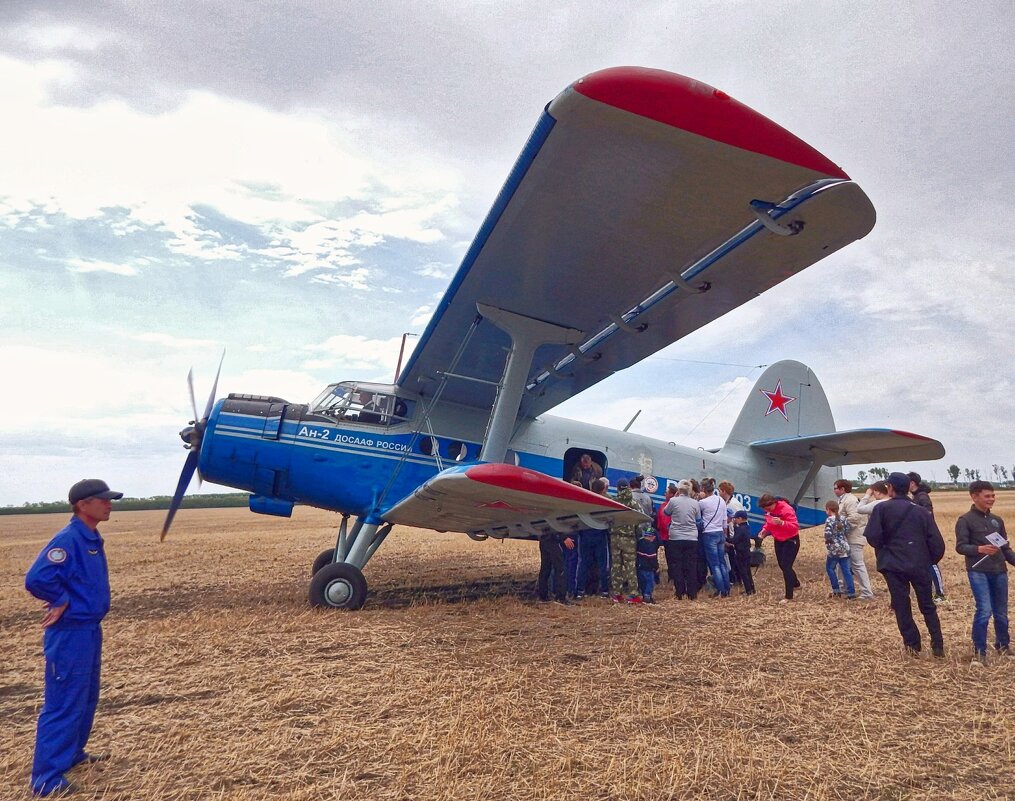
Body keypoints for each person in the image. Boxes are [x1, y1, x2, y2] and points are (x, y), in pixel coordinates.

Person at [25, 478, 124, 797]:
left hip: (89, 629)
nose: (109, 504)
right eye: (103, 499)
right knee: (64, 702)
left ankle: (72, 754)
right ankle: (46, 778)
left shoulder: (90, 536)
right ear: (83, 504)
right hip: (70, 634)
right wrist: (60, 599)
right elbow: (37, 578)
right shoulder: (68, 539)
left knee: (86, 697)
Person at [864, 472, 946, 657]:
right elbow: (937, 543)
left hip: (893, 565)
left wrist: (885, 548)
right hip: (919, 564)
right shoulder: (921, 511)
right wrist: (928, 560)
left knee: (902, 606)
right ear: (908, 487)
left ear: (890, 487)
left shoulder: (881, 509)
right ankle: (938, 644)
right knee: (927, 605)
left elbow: (873, 537)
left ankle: (912, 645)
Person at [955, 480, 1015, 663]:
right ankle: (979, 651)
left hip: (999, 571)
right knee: (984, 610)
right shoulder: (965, 520)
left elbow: (1005, 549)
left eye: (993, 495)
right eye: (987, 496)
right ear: (974, 496)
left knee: (1001, 612)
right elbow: (960, 546)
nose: (992, 499)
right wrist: (979, 549)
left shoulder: (997, 521)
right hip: (978, 571)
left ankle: (1003, 646)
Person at [909, 471, 947, 603]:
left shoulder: (922, 496)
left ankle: (939, 593)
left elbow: (928, 513)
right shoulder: (916, 496)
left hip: (927, 536)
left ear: (912, 483)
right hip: (921, 535)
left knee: (932, 563)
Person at [834, 479, 874, 600]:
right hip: (846, 538)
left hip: (854, 537)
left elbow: (855, 518)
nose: (834, 490)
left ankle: (867, 593)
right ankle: (844, 589)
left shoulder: (850, 500)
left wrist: (840, 527)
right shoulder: (843, 500)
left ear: (842, 489)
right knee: (841, 565)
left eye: (836, 488)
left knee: (857, 565)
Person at [758, 493, 801, 603]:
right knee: (782, 565)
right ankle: (795, 583)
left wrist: (782, 523)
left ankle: (789, 596)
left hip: (791, 539)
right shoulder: (769, 511)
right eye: (765, 509)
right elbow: (769, 523)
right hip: (778, 539)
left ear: (774, 503)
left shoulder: (786, 509)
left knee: (786, 566)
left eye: (768, 508)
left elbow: (795, 526)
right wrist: (764, 530)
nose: (768, 511)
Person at [662, 480, 700, 599]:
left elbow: (666, 512)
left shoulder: (673, 501)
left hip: (676, 537)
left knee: (677, 564)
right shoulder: (695, 503)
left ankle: (680, 592)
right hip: (691, 537)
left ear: (679, 490)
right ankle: (692, 593)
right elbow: (698, 519)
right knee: (691, 565)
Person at [575, 477, 611, 599]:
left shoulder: (585, 501)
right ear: (602, 490)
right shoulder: (605, 502)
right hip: (600, 536)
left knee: (584, 563)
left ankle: (580, 590)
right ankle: (604, 591)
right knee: (602, 564)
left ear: (591, 488)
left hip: (585, 535)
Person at [610, 479, 641, 603]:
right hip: (629, 539)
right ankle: (633, 594)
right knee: (630, 566)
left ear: (617, 488)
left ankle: (617, 594)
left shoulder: (612, 502)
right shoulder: (634, 503)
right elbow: (640, 521)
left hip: (614, 537)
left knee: (616, 566)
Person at [698, 477, 730, 597]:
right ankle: (726, 588)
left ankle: (721, 590)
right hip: (720, 532)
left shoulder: (702, 503)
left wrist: (699, 497)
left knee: (714, 564)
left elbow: (695, 512)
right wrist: (724, 535)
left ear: (703, 489)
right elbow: (724, 520)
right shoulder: (721, 500)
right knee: (722, 562)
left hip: (709, 533)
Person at [823, 500, 856, 599]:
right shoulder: (843, 518)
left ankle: (836, 590)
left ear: (828, 509)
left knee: (830, 568)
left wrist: (828, 543)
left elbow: (827, 534)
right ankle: (851, 592)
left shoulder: (829, 520)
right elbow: (847, 530)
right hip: (844, 546)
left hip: (835, 548)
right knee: (846, 570)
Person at [537, 528, 575, 605]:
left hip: (544, 538)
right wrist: (564, 537)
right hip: (552, 540)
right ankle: (561, 597)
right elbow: (554, 525)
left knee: (545, 568)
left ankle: (543, 595)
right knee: (560, 568)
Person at [730, 510, 756, 595]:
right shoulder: (746, 527)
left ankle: (748, 590)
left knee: (743, 572)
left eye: (736, 518)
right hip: (747, 552)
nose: (734, 520)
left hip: (741, 553)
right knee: (747, 571)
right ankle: (752, 589)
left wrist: (724, 539)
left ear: (740, 518)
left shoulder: (741, 529)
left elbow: (734, 540)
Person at [636, 527, 660, 603]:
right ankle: (647, 596)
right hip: (648, 568)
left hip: (640, 567)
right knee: (649, 582)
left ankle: (643, 594)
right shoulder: (651, 546)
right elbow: (652, 558)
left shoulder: (639, 542)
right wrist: (656, 567)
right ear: (653, 537)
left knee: (642, 582)